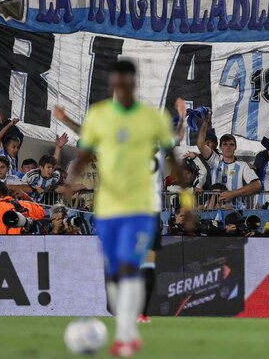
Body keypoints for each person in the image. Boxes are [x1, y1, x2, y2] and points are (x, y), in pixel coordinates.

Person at [67, 60, 185, 357]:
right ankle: (126, 323)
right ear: (111, 84)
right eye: (116, 83)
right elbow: (85, 152)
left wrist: (187, 200)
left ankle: (125, 335)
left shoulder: (151, 118)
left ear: (134, 83)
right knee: (114, 273)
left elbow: (175, 154)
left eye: (126, 83)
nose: (121, 89)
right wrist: (70, 182)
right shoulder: (99, 115)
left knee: (134, 268)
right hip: (107, 209)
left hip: (143, 209)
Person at [196, 113, 260, 207]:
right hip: (213, 208)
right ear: (220, 147)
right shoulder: (215, 160)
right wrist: (205, 122)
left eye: (231, 144)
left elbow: (257, 185)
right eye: (225, 144)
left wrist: (233, 193)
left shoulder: (243, 165)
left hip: (235, 209)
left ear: (235, 147)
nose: (228, 147)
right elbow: (200, 144)